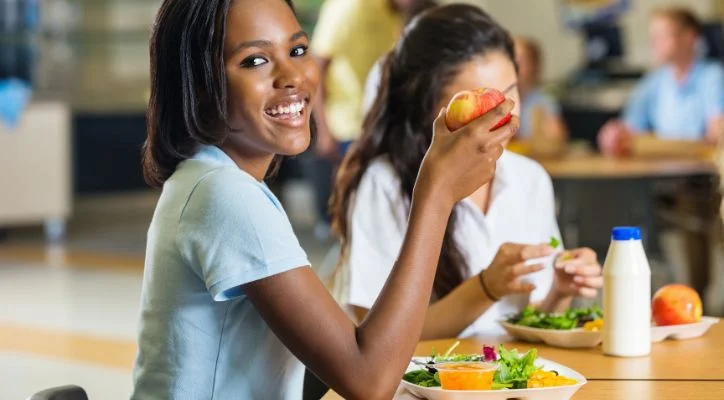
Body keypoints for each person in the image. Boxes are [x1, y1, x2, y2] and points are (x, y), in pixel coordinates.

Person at [131, 0, 517, 398]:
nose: (292, 75)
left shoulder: (216, 181)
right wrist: (436, 195)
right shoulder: (225, 196)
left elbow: (335, 355)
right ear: (197, 83)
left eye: (297, 50)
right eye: (255, 61)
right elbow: (369, 381)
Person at [330, 4, 603, 340]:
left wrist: (560, 291)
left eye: (511, 93)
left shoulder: (529, 179)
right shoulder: (384, 184)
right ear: (424, 106)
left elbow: (527, 328)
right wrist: (486, 288)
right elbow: (375, 340)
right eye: (481, 103)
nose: (503, 116)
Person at [598, 7, 724, 156]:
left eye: (663, 36)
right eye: (653, 37)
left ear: (689, 37)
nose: (655, 43)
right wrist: (616, 136)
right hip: (663, 166)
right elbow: (629, 129)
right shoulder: (653, 81)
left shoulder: (713, 77)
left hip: (702, 169)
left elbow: (717, 136)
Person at [514, 36, 568, 142]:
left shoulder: (543, 101)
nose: (514, 65)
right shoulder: (496, 101)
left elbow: (557, 138)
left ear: (534, 66)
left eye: (521, 61)